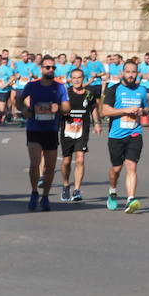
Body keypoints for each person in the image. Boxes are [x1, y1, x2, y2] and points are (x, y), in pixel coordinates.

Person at [21, 56, 69, 212]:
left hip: (51, 130)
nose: (50, 70)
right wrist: (25, 111)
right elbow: (19, 100)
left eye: (53, 68)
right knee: (35, 164)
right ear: (41, 69)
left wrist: (59, 108)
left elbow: (67, 108)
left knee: (49, 167)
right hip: (34, 128)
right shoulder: (32, 85)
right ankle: (34, 192)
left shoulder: (60, 87)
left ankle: (45, 196)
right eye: (47, 67)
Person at [102, 59, 149, 214]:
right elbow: (105, 111)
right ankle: (112, 190)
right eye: (128, 72)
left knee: (132, 166)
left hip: (135, 133)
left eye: (133, 72)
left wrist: (142, 112)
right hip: (116, 135)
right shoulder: (113, 89)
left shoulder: (142, 90)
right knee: (116, 169)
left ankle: (131, 199)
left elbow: (147, 108)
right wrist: (126, 110)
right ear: (122, 73)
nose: (130, 75)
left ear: (137, 74)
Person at [59, 67, 99, 202]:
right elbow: (59, 108)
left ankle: (76, 190)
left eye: (79, 78)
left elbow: (93, 108)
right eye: (74, 78)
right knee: (66, 161)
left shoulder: (89, 94)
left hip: (82, 130)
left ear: (83, 79)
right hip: (67, 131)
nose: (76, 80)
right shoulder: (66, 93)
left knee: (80, 159)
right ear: (71, 79)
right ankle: (65, 185)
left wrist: (97, 123)